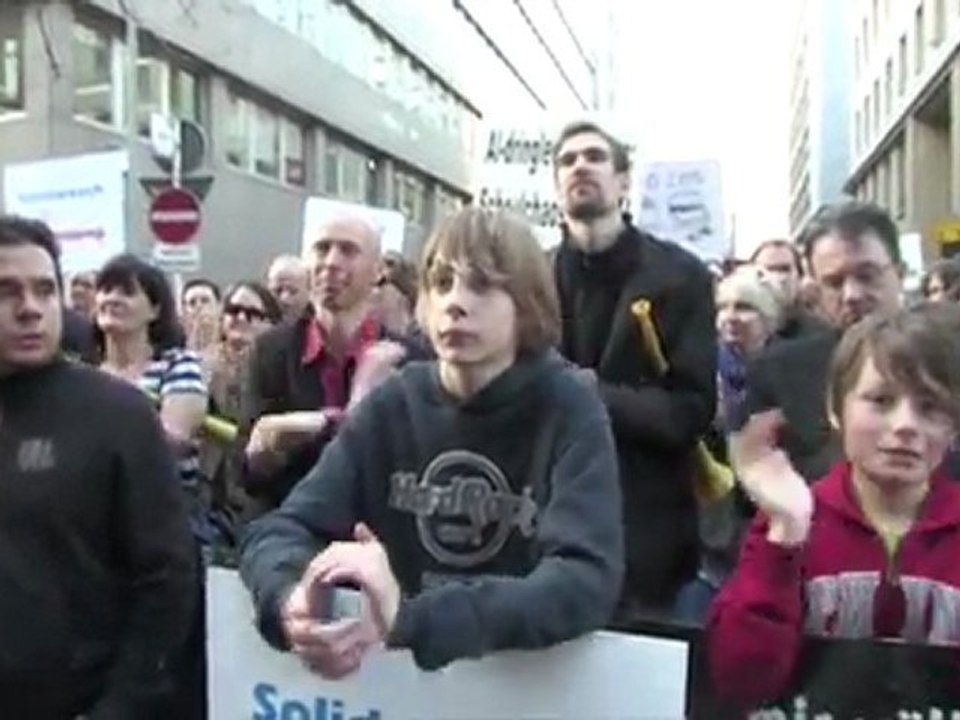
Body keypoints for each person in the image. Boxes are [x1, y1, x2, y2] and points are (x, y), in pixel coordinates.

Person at [240, 207, 623, 675]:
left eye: (481, 285)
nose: (455, 303)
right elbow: (281, 529)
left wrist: (412, 619)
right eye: (442, 283)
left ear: (527, 303)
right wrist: (289, 600)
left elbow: (585, 578)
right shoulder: (394, 402)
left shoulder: (570, 404)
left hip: (521, 691)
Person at [708, 304, 960, 708]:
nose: (906, 425)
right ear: (835, 408)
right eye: (881, 400)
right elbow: (739, 681)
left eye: (930, 407)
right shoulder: (791, 520)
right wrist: (784, 535)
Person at [0, 216, 195, 716]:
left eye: (45, 291)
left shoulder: (117, 415)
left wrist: (120, 708)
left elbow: (168, 577)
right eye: (7, 291)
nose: (30, 309)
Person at [551, 119, 717, 624]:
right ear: (556, 186)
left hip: (646, 536)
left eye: (595, 157)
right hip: (547, 525)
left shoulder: (680, 276)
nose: (580, 166)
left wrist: (591, 393)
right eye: (567, 160)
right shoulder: (528, 278)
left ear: (623, 182)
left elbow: (690, 410)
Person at [241, 216, 424, 516]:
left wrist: (318, 424)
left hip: (373, 536)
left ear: (378, 271)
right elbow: (248, 474)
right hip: (288, 525)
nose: (331, 262)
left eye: (348, 251)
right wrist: (267, 448)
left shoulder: (408, 359)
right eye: (321, 249)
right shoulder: (271, 351)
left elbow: (407, 468)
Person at [737, 201, 903, 482]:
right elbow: (751, 497)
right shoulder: (777, 374)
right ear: (814, 288)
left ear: (900, 273)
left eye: (867, 276)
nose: (852, 294)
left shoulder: (949, 358)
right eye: (835, 282)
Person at [199, 280, 283, 538]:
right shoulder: (200, 364)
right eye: (234, 310)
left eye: (253, 314)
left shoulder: (279, 371)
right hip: (204, 492)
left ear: (271, 322)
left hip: (258, 496)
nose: (241, 318)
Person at [749, 238, 827, 341]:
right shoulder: (738, 328)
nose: (778, 277)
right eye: (770, 269)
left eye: (784, 269)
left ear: (799, 276)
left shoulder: (820, 332)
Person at [267, 254, 312, 322]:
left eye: (292, 291)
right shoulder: (256, 322)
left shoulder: (322, 325)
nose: (284, 299)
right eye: (278, 291)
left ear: (308, 291)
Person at [182, 278, 222, 353]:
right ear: (185, 312)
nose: (199, 306)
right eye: (192, 302)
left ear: (219, 307)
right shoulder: (177, 353)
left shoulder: (231, 348)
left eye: (205, 300)